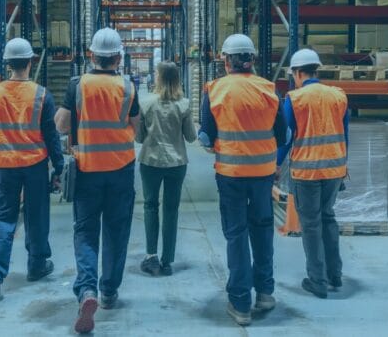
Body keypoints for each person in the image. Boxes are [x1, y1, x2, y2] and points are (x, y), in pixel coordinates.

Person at [54, 28, 140, 334]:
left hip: (87, 169)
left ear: (91, 55)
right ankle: (109, 292)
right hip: (121, 170)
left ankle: (87, 290)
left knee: (86, 233)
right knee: (116, 233)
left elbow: (62, 124)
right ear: (118, 56)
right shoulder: (129, 86)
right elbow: (137, 128)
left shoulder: (78, 84)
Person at [198, 34, 288, 327]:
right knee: (262, 229)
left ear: (226, 61)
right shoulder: (269, 89)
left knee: (236, 235)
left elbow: (206, 139)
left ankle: (240, 304)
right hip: (263, 174)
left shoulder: (214, 90)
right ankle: (264, 293)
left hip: (231, 175)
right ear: (252, 60)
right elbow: (283, 135)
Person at [0, 37, 65, 301]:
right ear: (30, 61)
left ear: (8, 63)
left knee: (3, 220)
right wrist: (58, 168)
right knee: (37, 218)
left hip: (4, 167)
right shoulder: (41, 94)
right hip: (35, 166)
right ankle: (37, 266)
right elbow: (52, 136)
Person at [276, 48, 349, 299]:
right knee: (328, 217)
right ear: (316, 70)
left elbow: (285, 138)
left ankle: (317, 280)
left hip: (307, 171)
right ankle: (335, 274)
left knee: (310, 225)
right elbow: (345, 133)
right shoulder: (338, 96)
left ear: (297, 73)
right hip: (335, 168)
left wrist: (276, 165)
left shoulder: (294, 99)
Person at [136, 61, 197, 277]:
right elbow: (191, 137)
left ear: (159, 78)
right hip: (176, 163)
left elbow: (139, 137)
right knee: (171, 210)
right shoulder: (184, 104)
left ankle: (151, 256)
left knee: (150, 206)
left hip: (150, 162)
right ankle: (167, 261)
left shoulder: (146, 103)